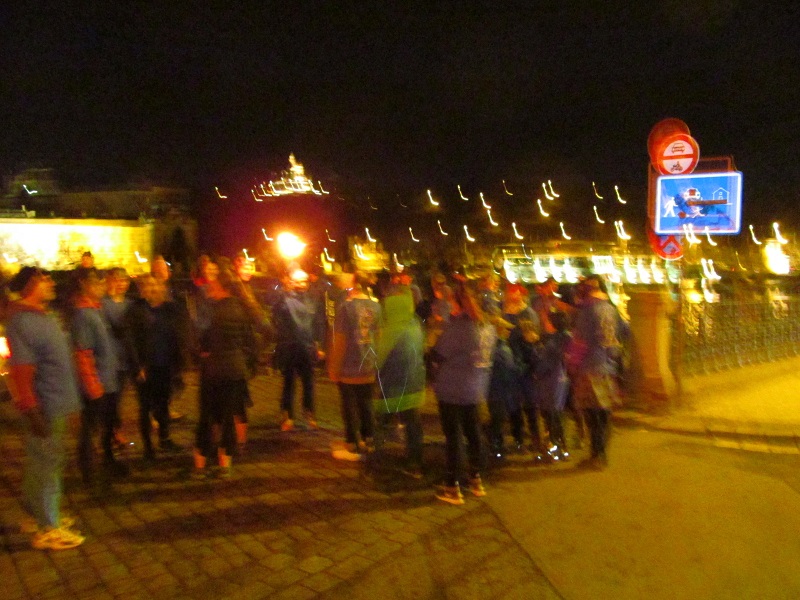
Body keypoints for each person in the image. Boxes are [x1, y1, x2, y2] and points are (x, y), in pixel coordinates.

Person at [6, 266, 85, 549]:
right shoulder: (23, 321)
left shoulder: (43, 315)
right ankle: (47, 528)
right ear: (30, 286)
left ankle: (35, 514)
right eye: (44, 279)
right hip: (45, 406)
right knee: (47, 466)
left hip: (57, 401)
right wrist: (30, 409)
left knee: (42, 462)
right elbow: (21, 370)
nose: (51, 282)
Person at [430, 277, 496, 505]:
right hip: (476, 388)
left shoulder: (459, 328)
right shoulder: (487, 327)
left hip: (453, 388)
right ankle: (476, 479)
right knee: (474, 434)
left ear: (457, 303)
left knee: (454, 437)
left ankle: (452, 486)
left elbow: (437, 355)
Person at [192, 258, 258, 478]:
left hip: (213, 369)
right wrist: (247, 361)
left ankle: (200, 464)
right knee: (229, 417)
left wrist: (202, 352)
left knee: (207, 416)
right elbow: (252, 339)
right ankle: (225, 463)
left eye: (213, 284)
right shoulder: (243, 308)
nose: (210, 287)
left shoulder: (212, 310)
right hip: (235, 370)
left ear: (221, 286)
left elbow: (201, 339)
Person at [70, 267, 127, 485]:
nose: (101, 287)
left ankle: (107, 460)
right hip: (97, 383)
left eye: (101, 283)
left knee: (107, 423)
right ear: (84, 284)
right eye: (96, 283)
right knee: (90, 427)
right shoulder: (83, 314)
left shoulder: (97, 308)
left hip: (108, 379)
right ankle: (88, 470)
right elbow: (83, 353)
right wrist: (93, 386)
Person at [566, 275, 628, 468]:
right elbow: (624, 332)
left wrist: (572, 364)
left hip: (590, 367)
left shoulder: (588, 311)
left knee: (592, 414)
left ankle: (597, 455)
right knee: (604, 413)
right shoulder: (610, 308)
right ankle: (601, 454)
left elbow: (580, 341)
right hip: (608, 366)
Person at [126, 275, 187, 461]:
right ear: (141, 289)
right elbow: (130, 340)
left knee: (163, 403)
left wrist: (180, 360)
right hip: (146, 367)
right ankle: (148, 446)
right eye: (147, 286)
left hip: (165, 364)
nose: (152, 289)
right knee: (145, 407)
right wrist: (137, 366)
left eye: (155, 285)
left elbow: (179, 333)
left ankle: (164, 438)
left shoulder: (169, 309)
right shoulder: (136, 310)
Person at [375, 272, 427, 477]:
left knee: (381, 420)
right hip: (414, 382)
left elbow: (379, 358)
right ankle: (415, 461)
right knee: (413, 423)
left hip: (393, 385)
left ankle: (378, 457)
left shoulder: (391, 329)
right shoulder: (415, 324)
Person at [327, 272, 381, 461]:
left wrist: (334, 367)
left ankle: (352, 441)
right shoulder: (376, 307)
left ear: (354, 285)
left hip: (349, 365)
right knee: (367, 403)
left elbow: (340, 340)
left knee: (349, 405)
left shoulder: (346, 308)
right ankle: (369, 437)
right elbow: (378, 336)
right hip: (368, 363)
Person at [271, 268, 325, 431]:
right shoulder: (284, 298)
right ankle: (287, 415)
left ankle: (309, 413)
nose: (302, 284)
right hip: (290, 345)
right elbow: (276, 315)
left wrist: (319, 344)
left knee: (308, 382)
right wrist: (284, 290)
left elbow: (318, 322)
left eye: (304, 281)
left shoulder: (312, 299)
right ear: (292, 282)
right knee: (289, 382)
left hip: (307, 346)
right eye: (298, 281)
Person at [101, 267, 134, 449]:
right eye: (117, 280)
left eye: (124, 280)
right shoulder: (103, 303)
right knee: (111, 398)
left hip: (124, 357)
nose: (121, 284)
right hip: (109, 357)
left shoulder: (130, 304)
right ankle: (113, 432)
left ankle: (114, 431)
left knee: (118, 397)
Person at [533, 311, 572, 461]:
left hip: (551, 382)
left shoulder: (553, 342)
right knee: (558, 416)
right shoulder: (567, 338)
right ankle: (562, 449)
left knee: (551, 418)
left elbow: (545, 364)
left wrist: (537, 373)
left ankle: (554, 450)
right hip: (562, 380)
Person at [485, 317, 517, 459]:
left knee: (499, 418)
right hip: (497, 389)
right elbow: (505, 370)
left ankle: (497, 445)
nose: (508, 331)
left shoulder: (501, 347)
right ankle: (495, 447)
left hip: (499, 389)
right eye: (505, 328)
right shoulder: (497, 349)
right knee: (497, 419)